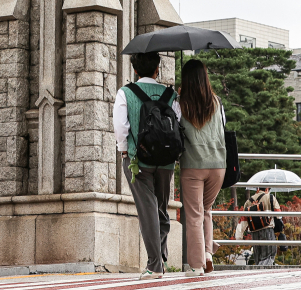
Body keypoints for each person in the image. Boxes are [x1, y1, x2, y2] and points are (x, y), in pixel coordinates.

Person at [113, 52, 180, 280]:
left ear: (134, 70)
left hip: (137, 161)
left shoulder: (126, 93)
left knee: (147, 209)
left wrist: (125, 148)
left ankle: (154, 265)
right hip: (166, 161)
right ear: (157, 69)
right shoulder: (171, 94)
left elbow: (121, 127)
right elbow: (177, 124)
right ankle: (161, 256)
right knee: (161, 207)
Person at [176, 59, 226, 277]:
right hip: (218, 166)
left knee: (194, 215)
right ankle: (207, 254)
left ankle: (196, 266)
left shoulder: (180, 103)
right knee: (206, 210)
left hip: (193, 165)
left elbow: (174, 128)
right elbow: (222, 127)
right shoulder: (216, 102)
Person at [235, 187, 282, 266]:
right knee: (269, 256)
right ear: (267, 189)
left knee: (258, 257)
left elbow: (242, 221)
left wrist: (238, 238)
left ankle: (259, 273)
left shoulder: (248, 201)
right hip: (268, 231)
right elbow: (279, 215)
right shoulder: (270, 197)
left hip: (254, 233)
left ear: (258, 188)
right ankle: (263, 275)